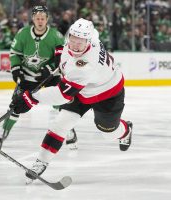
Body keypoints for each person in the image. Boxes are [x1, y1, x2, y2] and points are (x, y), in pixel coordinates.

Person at [10, 18, 133, 183]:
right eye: (73, 38)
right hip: (83, 91)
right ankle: (41, 161)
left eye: (80, 41)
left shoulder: (85, 65)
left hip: (108, 94)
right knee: (60, 124)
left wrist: (31, 98)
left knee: (108, 132)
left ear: (88, 41)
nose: (74, 44)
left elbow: (62, 95)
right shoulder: (91, 38)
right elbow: (67, 55)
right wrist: (60, 59)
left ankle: (126, 131)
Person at [0, 5, 77, 153]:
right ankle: (4, 132)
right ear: (33, 19)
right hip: (28, 75)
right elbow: (14, 53)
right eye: (37, 18)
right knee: (16, 104)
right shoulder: (23, 34)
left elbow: (61, 59)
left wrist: (48, 70)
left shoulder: (56, 36)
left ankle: (69, 131)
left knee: (59, 104)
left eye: (43, 18)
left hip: (50, 76)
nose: (40, 21)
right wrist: (16, 68)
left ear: (47, 19)